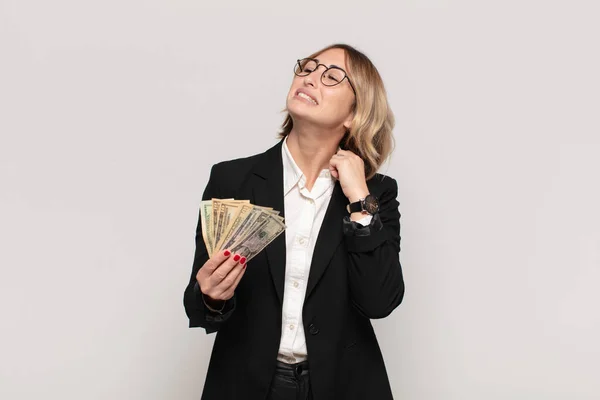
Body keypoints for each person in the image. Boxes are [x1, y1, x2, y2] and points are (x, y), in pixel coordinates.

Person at [183, 43, 405, 400]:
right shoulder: (232, 179)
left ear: (354, 113)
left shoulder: (376, 192)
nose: (311, 77)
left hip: (341, 385)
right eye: (308, 68)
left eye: (332, 77)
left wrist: (359, 200)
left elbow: (379, 302)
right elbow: (200, 307)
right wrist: (211, 296)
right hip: (246, 384)